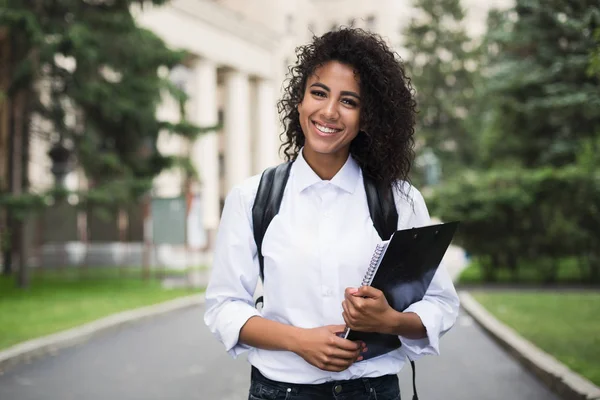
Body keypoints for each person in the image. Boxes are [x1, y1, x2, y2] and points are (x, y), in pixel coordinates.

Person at [204, 27, 460, 400]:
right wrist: (299, 341)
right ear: (299, 101)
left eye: (349, 101)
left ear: (366, 118)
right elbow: (223, 306)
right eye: (319, 93)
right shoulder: (252, 197)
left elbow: (440, 303)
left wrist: (392, 321)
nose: (328, 111)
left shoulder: (400, 200)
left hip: (373, 390)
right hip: (281, 391)